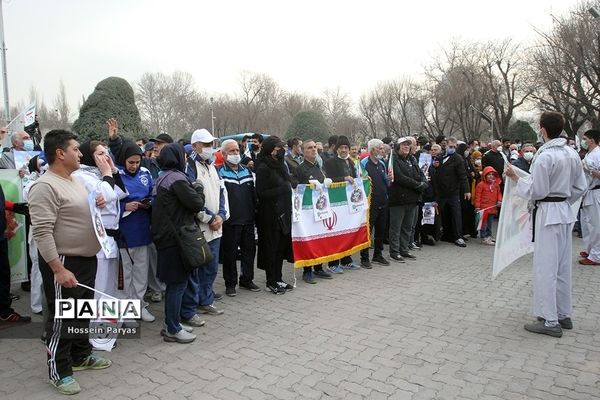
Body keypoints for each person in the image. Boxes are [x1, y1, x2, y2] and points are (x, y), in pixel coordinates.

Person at [29, 130, 112, 395]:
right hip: (64, 261)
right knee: (62, 317)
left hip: (86, 259)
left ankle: (81, 355)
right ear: (60, 153)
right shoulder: (45, 186)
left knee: (83, 312)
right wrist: (58, 268)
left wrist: (95, 202)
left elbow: (77, 212)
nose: (80, 153)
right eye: (76, 149)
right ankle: (59, 371)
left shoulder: (74, 179)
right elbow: (42, 231)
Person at [505, 111, 586, 338]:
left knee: (545, 267)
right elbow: (580, 187)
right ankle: (562, 313)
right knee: (561, 266)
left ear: (542, 128)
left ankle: (550, 320)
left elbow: (536, 190)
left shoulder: (545, 156)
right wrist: (564, 200)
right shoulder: (571, 153)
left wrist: (515, 178)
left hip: (549, 212)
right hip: (564, 211)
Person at [152, 143, 206, 343]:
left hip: (168, 237)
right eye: (183, 155)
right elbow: (196, 203)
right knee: (177, 284)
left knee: (177, 283)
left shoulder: (162, 177)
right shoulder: (175, 178)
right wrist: (198, 189)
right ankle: (172, 328)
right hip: (176, 239)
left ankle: (173, 322)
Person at [184, 129, 226, 315]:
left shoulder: (213, 166)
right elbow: (191, 198)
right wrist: (209, 218)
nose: (210, 148)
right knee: (197, 269)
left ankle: (206, 300)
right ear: (195, 146)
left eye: (211, 144)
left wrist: (221, 215)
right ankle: (193, 305)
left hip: (216, 226)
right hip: (199, 227)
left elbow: (221, 192)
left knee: (211, 268)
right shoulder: (189, 167)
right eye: (206, 145)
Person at [116, 141, 155, 320]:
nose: (134, 166)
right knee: (126, 274)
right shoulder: (116, 175)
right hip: (125, 232)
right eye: (131, 162)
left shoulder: (146, 174)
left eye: (137, 162)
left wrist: (149, 203)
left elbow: (152, 194)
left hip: (143, 229)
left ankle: (139, 304)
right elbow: (107, 204)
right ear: (123, 160)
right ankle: (126, 310)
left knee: (141, 271)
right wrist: (125, 206)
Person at [218, 139, 261, 296]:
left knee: (249, 251)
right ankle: (230, 283)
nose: (235, 154)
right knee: (229, 254)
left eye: (237, 150)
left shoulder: (247, 171)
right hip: (230, 221)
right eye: (231, 151)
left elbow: (254, 196)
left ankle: (246, 279)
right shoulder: (219, 172)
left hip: (248, 219)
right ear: (223, 154)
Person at [256, 135, 294, 294]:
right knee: (271, 249)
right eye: (278, 148)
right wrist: (282, 189)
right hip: (270, 215)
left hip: (283, 212)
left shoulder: (281, 165)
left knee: (280, 248)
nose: (281, 150)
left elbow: (287, 182)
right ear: (271, 149)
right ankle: (270, 281)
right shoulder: (263, 167)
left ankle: (278, 278)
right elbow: (261, 193)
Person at [294, 139, 334, 282]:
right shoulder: (300, 168)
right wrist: (307, 185)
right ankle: (307, 270)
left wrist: (326, 183)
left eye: (314, 147)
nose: (313, 150)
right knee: (308, 240)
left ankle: (318, 267)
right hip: (307, 211)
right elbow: (297, 188)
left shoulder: (319, 167)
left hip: (320, 209)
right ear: (303, 151)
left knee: (319, 239)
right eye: (309, 148)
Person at [323, 135, 360, 272]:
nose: (344, 150)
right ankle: (333, 263)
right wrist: (343, 178)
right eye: (341, 148)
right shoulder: (330, 162)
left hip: (349, 203)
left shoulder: (351, 162)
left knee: (347, 231)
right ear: (336, 149)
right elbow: (328, 180)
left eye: (346, 147)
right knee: (336, 233)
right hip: (336, 202)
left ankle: (346, 259)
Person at [388, 137, 427, 262]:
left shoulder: (412, 159)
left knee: (407, 227)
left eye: (408, 145)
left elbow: (421, 174)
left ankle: (404, 250)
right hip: (398, 200)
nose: (406, 147)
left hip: (412, 199)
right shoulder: (393, 160)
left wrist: (424, 183)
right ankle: (394, 252)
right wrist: (418, 185)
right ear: (398, 147)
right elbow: (399, 177)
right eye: (403, 145)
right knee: (396, 227)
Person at [432, 137, 470, 247]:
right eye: (450, 146)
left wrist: (466, 190)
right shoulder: (439, 157)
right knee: (442, 214)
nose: (452, 148)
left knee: (456, 214)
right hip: (441, 192)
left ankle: (458, 236)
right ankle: (444, 234)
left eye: (454, 147)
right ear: (446, 146)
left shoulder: (458, 158)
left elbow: (462, 175)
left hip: (453, 191)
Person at [359, 139, 390, 268]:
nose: (382, 151)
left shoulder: (382, 163)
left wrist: (389, 180)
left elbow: (385, 181)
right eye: (380, 148)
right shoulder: (364, 164)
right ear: (372, 150)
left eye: (383, 148)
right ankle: (364, 257)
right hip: (370, 203)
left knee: (381, 230)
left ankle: (378, 254)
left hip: (383, 201)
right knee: (368, 231)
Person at [579, 129, 600, 265]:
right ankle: (591, 249)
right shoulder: (590, 154)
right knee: (587, 224)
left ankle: (596, 255)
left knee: (596, 226)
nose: (584, 142)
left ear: (592, 140)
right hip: (587, 193)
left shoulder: (598, 154)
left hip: (596, 193)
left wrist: (591, 171)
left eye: (585, 139)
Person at [474, 166, 502, 245]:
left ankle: (489, 236)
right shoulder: (481, 185)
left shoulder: (496, 185)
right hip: (484, 209)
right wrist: (477, 206)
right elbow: (478, 196)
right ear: (484, 175)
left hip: (492, 208)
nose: (491, 176)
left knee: (489, 223)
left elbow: (499, 193)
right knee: (483, 224)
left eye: (492, 174)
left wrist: (500, 200)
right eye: (489, 174)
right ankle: (484, 237)